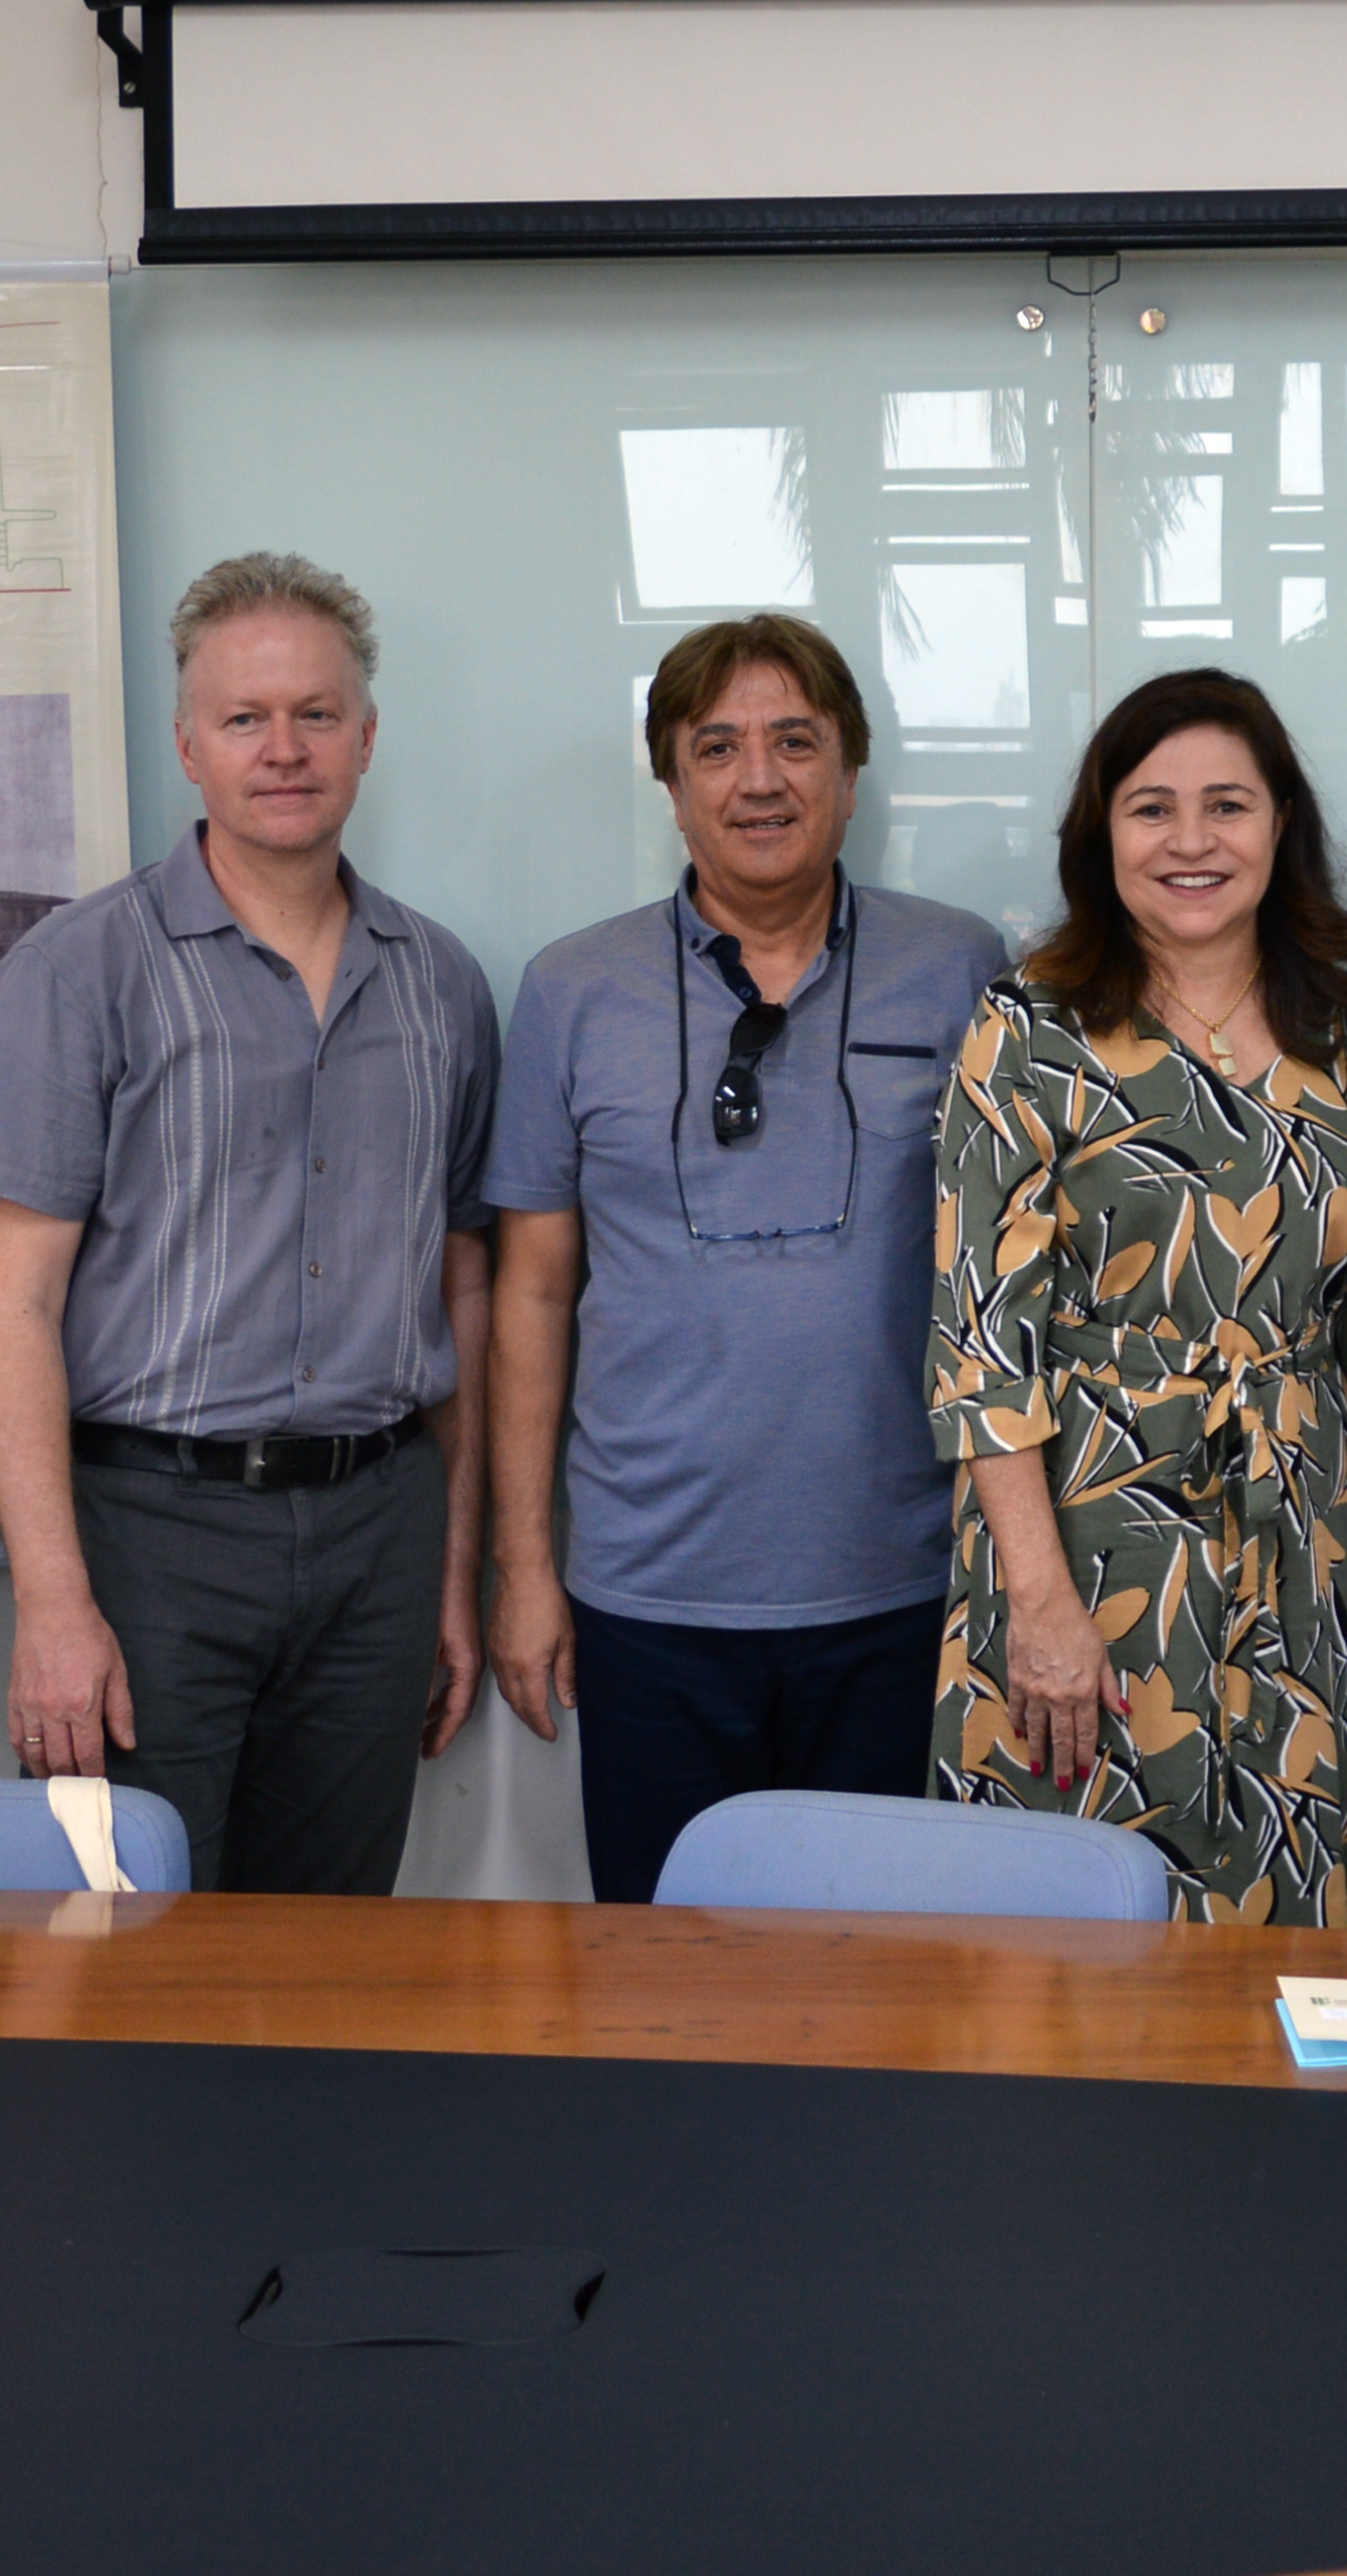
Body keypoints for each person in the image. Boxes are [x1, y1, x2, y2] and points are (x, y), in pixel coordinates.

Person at [0, 553, 499, 1893]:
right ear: (189, 745)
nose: (284, 749)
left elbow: (464, 1285)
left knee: (334, 1950)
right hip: (147, 1535)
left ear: (366, 739)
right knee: (114, 1931)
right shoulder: (76, 973)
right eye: (246, 720)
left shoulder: (441, 983)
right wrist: (49, 1602)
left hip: (381, 1527)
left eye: (317, 714)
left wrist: (449, 1569)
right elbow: (6, 1306)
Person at [479, 618, 1004, 1900]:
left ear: (851, 771)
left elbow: (1013, 1282)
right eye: (716, 746)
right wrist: (527, 1571)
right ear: (671, 780)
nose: (757, 779)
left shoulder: (963, 969)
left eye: (794, 741)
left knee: (888, 1977)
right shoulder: (570, 988)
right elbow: (533, 1295)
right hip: (651, 1595)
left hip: (899, 1585)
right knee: (672, 1981)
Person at [925, 670, 1347, 1923]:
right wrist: (1037, 1604)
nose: (1191, 841)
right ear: (1103, 836)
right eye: (1152, 809)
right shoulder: (1026, 1025)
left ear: (1280, 824)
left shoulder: (1342, 1029)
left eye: (1227, 805)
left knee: (1295, 1904)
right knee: (1076, 1912)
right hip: (1085, 1534)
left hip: (1297, 1537)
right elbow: (981, 1341)